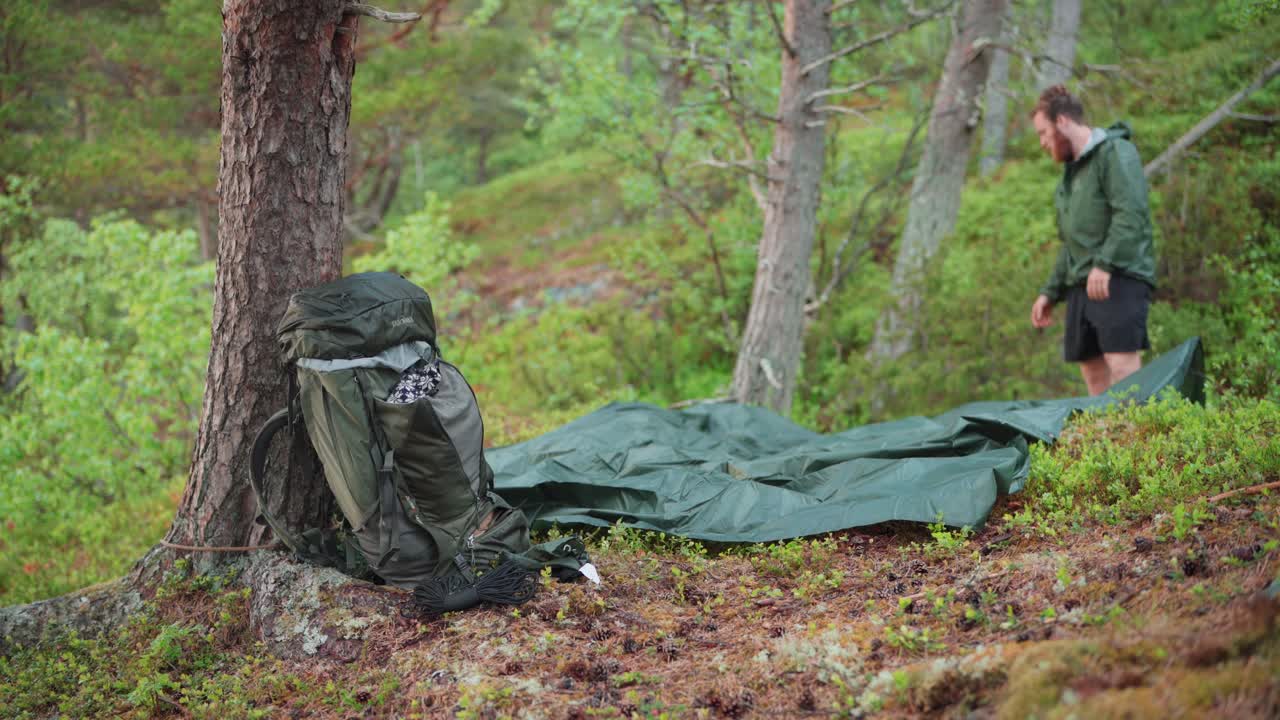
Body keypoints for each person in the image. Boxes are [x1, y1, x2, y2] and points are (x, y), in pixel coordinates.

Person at [1029, 85, 1156, 396]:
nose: (1043, 144)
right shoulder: (1069, 178)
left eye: (1043, 133)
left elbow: (1131, 214)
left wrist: (1105, 264)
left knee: (1122, 365)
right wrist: (1049, 292)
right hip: (1081, 284)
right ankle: (1106, 444)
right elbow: (1071, 243)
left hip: (1119, 276)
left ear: (1062, 122)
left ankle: (1137, 441)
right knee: (1092, 372)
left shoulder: (1115, 153)